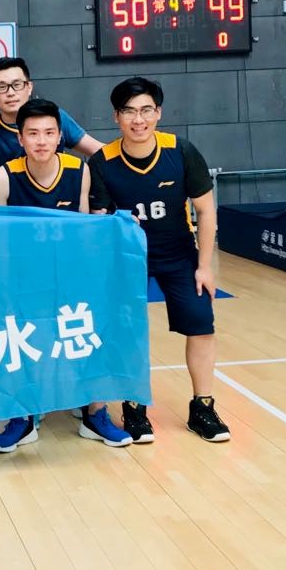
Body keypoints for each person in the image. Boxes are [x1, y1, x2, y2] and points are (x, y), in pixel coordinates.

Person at [0, 99, 133, 452]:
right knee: (17, 340)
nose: (41, 141)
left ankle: (95, 414)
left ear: (60, 136)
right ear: (20, 138)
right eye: (33, 134)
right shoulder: (1, 178)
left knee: (92, 332)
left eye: (49, 133)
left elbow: (82, 230)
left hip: (69, 274)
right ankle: (22, 418)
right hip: (22, 279)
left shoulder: (79, 170)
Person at [88, 76, 229, 444]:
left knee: (201, 323)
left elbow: (206, 211)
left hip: (178, 254)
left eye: (146, 110)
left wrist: (204, 266)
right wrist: (117, 223)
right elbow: (99, 220)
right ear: (116, 117)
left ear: (158, 113)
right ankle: (134, 406)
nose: (139, 120)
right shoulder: (102, 161)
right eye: (129, 112)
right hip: (127, 259)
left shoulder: (181, 151)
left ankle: (203, 407)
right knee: (129, 330)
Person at [0, 56, 104, 187]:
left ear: (29, 87)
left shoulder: (54, 117)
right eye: (2, 87)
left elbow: (100, 151)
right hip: (13, 209)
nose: (10, 93)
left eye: (17, 85)